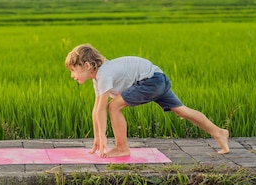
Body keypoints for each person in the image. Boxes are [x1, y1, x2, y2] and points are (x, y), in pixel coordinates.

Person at [64, 44, 230, 158]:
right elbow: (96, 109)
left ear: (86, 65)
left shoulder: (104, 74)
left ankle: (122, 148)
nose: (72, 75)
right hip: (158, 78)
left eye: (73, 70)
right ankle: (219, 132)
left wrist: (102, 136)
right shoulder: (99, 78)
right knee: (181, 110)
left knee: (113, 106)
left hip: (151, 81)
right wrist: (97, 138)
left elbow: (102, 109)